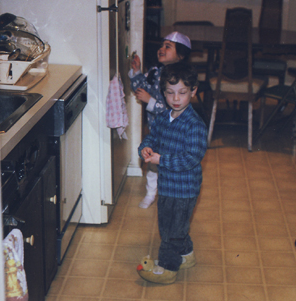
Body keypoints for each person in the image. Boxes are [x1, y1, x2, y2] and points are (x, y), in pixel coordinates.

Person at [136, 62, 208, 284]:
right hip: (167, 186)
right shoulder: (163, 118)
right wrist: (145, 148)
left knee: (170, 230)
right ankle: (186, 255)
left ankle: (167, 268)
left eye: (182, 93)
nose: (176, 98)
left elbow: (191, 158)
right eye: (170, 92)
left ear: (193, 91)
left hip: (185, 190)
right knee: (175, 224)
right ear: (163, 92)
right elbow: (151, 137)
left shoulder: (194, 125)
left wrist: (161, 160)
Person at [129, 31, 192, 209]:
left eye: (167, 47)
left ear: (180, 55)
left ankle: (172, 197)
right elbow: (142, 90)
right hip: (157, 132)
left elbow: (173, 110)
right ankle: (150, 194)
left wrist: (150, 101)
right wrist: (136, 73)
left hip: (174, 134)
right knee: (152, 163)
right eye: (161, 45)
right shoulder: (155, 71)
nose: (161, 49)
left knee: (170, 164)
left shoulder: (179, 80)